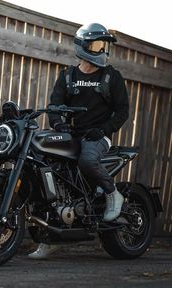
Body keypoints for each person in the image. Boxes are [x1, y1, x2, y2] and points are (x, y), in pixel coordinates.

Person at [29, 23, 129, 259]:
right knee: (44, 168)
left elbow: (122, 111)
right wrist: (58, 124)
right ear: (83, 46)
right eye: (97, 45)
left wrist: (104, 129)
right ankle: (51, 236)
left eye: (104, 45)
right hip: (71, 134)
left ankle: (113, 193)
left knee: (87, 160)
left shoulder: (111, 77)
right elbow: (54, 107)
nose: (103, 50)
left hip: (97, 137)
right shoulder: (67, 76)